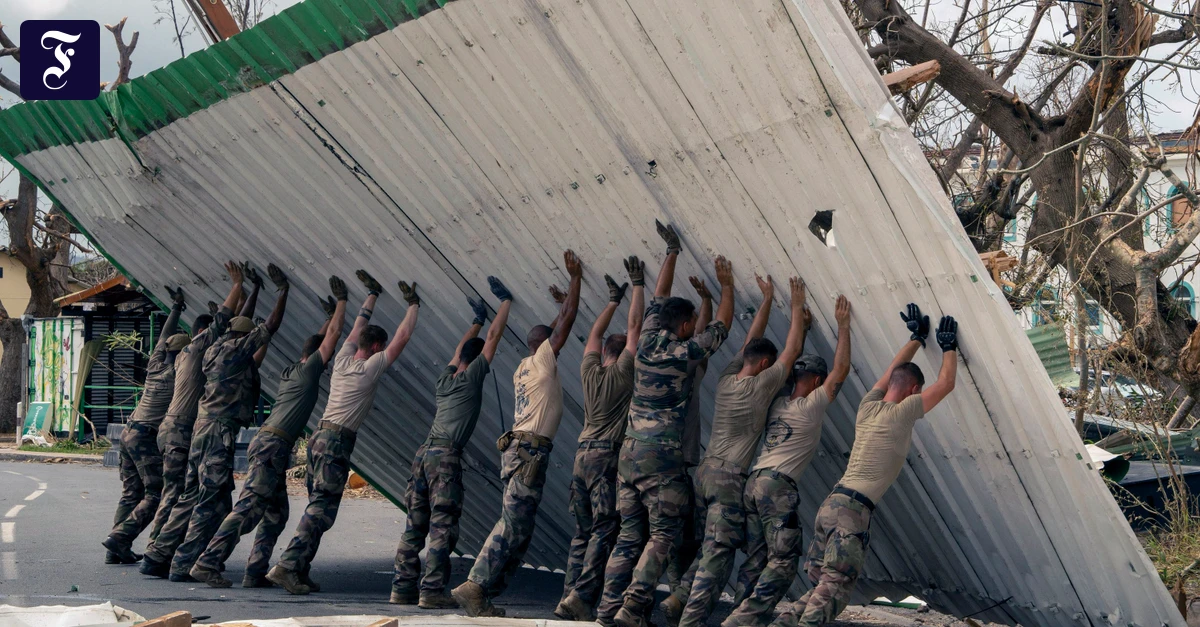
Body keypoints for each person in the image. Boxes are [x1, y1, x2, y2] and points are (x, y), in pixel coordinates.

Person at [770, 304, 959, 627]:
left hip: (830, 505)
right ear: (914, 391)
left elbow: (890, 373)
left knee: (819, 588)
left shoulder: (867, 407)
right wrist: (949, 347)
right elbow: (945, 385)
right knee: (833, 592)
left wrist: (916, 339)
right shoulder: (904, 412)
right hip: (851, 512)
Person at [596, 222, 733, 627]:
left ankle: (607, 610)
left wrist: (671, 252)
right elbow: (720, 330)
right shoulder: (681, 351)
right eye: (692, 322)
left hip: (629, 455)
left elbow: (659, 296)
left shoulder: (650, 338)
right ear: (686, 324)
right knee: (662, 536)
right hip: (661, 460)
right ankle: (633, 609)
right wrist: (725, 289)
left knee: (627, 536)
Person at [189, 276, 350, 588]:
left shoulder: (292, 371)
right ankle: (207, 562)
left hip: (267, 443)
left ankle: (255, 571)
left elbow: (316, 343)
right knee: (248, 508)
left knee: (276, 514)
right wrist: (339, 305)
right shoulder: (306, 371)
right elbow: (328, 340)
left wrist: (327, 319)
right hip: (271, 447)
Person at [267, 271, 421, 594]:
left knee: (318, 506)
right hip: (336, 441)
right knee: (322, 508)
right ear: (377, 346)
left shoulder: (342, 360)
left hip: (318, 438)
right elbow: (402, 337)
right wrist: (413, 304)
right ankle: (287, 565)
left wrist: (372, 296)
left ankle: (299, 569)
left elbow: (355, 328)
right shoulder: (370, 368)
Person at [452, 250, 584, 617]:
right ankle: (476, 584)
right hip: (529, 453)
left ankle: (484, 594)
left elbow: (558, 324)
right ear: (545, 346)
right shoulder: (543, 360)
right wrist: (576, 280)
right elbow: (566, 323)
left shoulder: (525, 365)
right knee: (512, 524)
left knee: (520, 529)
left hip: (520, 451)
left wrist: (560, 307)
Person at [677, 275, 810, 627]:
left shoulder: (728, 378)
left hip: (704, 472)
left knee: (709, 543)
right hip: (728, 479)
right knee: (718, 554)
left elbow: (750, 341)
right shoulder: (762, 385)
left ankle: (679, 594)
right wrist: (797, 306)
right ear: (765, 366)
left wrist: (766, 299)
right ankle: (689, 619)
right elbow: (792, 351)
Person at [725, 295, 852, 627]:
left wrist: (804, 331)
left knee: (756, 558)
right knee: (782, 562)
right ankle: (741, 621)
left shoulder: (778, 403)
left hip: (753, 483)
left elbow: (792, 373)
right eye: (819, 380)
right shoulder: (811, 406)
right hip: (777, 487)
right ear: (814, 381)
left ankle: (743, 614)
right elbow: (841, 370)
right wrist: (843, 326)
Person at [390, 277, 513, 608]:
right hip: (445, 457)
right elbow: (494, 340)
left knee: (415, 524)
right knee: (442, 526)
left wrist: (476, 321)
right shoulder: (473, 378)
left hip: (423, 455)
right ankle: (431, 591)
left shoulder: (444, 381)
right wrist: (505, 303)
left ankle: (402, 588)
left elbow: (465, 348)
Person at [165, 264, 291, 581]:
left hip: (200, 431)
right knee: (209, 502)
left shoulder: (214, 348)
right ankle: (187, 563)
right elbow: (269, 327)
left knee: (201, 497)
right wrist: (282, 292)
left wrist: (255, 291)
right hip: (218, 432)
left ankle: (172, 558)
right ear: (242, 338)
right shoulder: (235, 351)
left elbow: (238, 323)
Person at [555, 256, 645, 622]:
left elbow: (593, 335)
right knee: (605, 529)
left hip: (581, 456)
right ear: (621, 354)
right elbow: (636, 327)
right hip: (607, 457)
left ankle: (568, 596)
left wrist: (612, 300)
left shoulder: (589, 369)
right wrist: (637, 284)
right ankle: (581, 596)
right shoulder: (625, 373)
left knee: (582, 531)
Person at [141, 262, 244, 576]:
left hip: (175, 427)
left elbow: (170, 333)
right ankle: (160, 554)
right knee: (185, 494)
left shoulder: (177, 354)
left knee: (194, 494)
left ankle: (171, 553)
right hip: (184, 429)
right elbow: (225, 323)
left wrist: (176, 307)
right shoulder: (199, 347)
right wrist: (238, 286)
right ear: (203, 333)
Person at [101, 286, 189, 564]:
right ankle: (120, 538)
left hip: (128, 432)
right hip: (144, 437)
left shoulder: (155, 365)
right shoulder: (178, 374)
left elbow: (164, 338)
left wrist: (176, 309)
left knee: (130, 493)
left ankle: (114, 550)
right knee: (155, 493)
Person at [661, 277, 715, 626]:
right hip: (680, 464)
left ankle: (674, 594)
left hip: (652, 462)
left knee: (668, 538)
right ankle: (680, 596)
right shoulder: (686, 365)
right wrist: (709, 299)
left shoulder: (651, 357)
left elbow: (698, 337)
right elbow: (704, 340)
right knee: (691, 538)